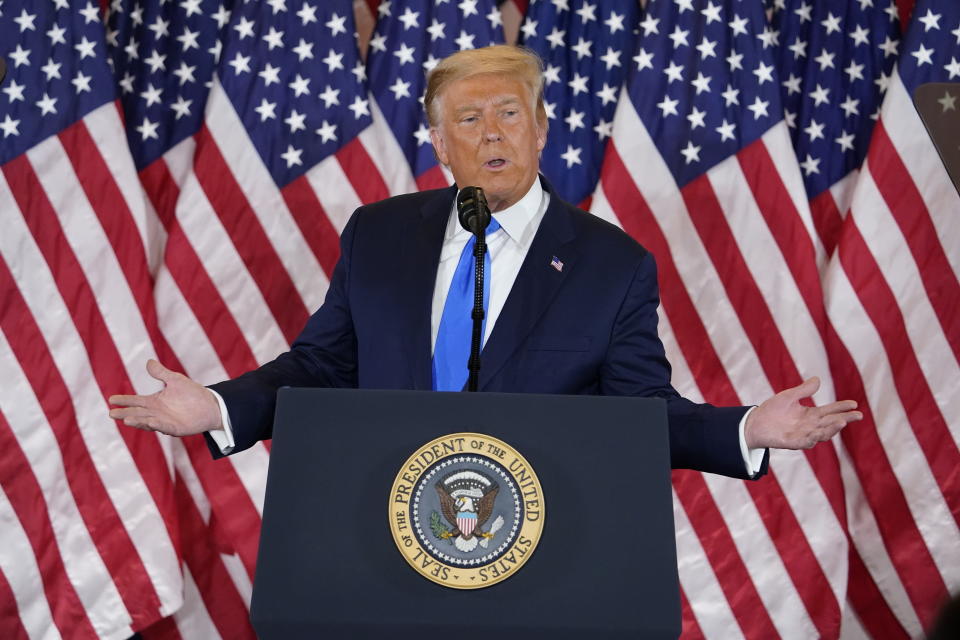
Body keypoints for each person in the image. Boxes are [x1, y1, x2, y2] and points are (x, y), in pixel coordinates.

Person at [109, 46, 861, 478]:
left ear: (540, 131)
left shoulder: (611, 263)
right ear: (439, 144)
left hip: (539, 546)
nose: (492, 133)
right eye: (469, 119)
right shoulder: (378, 234)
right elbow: (320, 368)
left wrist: (745, 430)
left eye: (510, 114)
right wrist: (218, 406)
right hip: (383, 528)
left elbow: (640, 416)